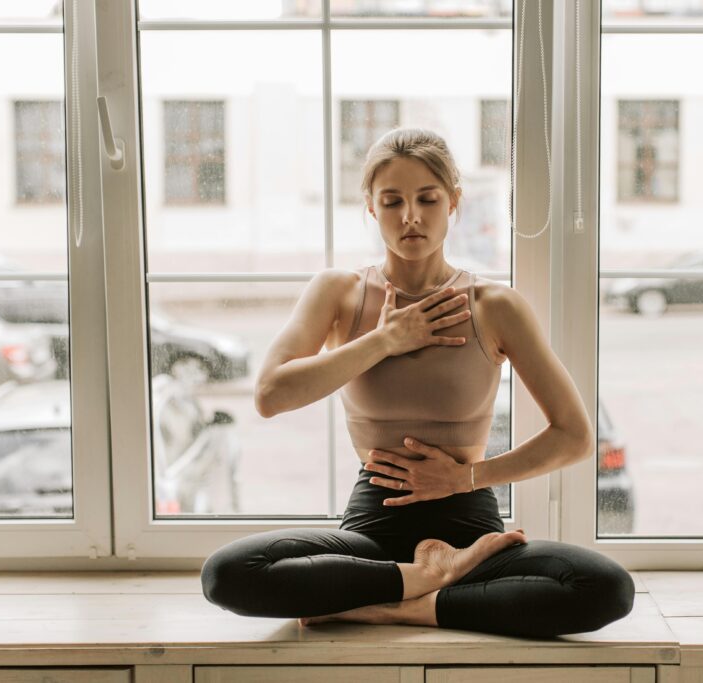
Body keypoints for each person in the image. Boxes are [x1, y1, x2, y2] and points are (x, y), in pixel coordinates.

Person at [200, 128, 635, 639]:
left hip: (470, 531)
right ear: (370, 207)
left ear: (453, 202)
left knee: (605, 587)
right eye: (392, 201)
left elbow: (574, 436)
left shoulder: (494, 305)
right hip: (372, 529)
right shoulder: (339, 292)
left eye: (427, 199)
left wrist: (462, 479)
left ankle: (400, 604)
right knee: (227, 574)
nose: (410, 216)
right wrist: (384, 340)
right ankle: (424, 581)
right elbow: (271, 395)